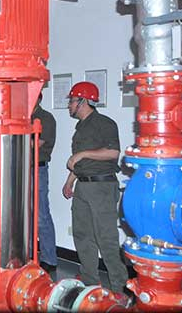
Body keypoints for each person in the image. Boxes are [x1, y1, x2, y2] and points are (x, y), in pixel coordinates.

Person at [62, 81, 128, 301]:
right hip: (83, 185)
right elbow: (80, 163)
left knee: (106, 238)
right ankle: (90, 280)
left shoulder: (104, 123)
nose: (69, 105)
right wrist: (69, 182)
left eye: (72, 101)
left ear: (82, 101)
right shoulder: (81, 127)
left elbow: (112, 153)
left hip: (101, 187)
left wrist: (81, 155)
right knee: (82, 235)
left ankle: (120, 287)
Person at [32, 92, 57, 274]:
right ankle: (27, 256)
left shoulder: (45, 118)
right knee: (23, 216)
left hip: (37, 169)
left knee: (41, 216)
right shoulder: (23, 118)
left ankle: (49, 259)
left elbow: (35, 144)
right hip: (21, 169)